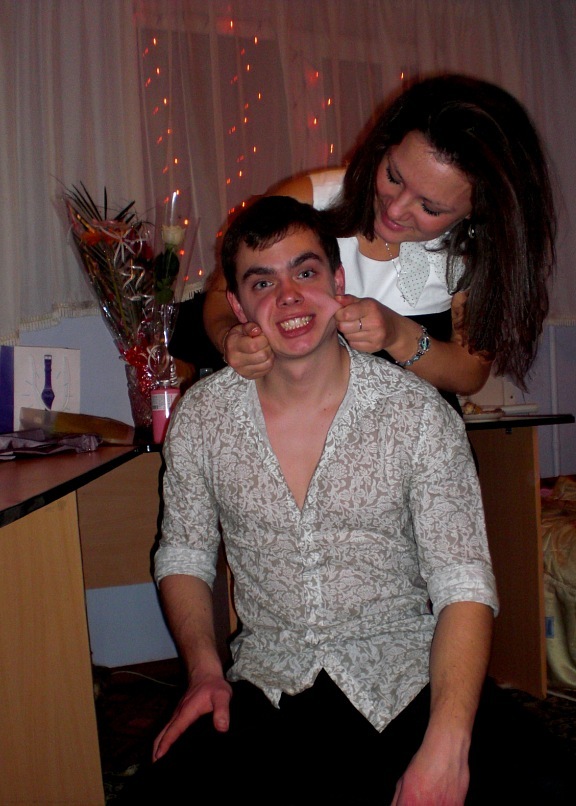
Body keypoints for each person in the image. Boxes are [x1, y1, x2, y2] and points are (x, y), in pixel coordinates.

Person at [120, 197, 569, 805]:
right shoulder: (202, 417)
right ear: (239, 307)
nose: (289, 297)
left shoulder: (417, 414)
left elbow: (463, 585)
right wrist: (204, 671)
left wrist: (445, 745)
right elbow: (184, 555)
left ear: (337, 283)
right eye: (262, 282)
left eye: (304, 272)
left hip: (409, 680)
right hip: (270, 685)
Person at [202, 73, 556, 412]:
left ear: (477, 211)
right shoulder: (309, 199)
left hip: (419, 439)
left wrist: (397, 335)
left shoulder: (471, 252)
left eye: (430, 207)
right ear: (385, 144)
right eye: (393, 176)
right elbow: (221, 295)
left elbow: (470, 373)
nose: (396, 209)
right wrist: (230, 337)